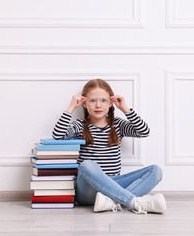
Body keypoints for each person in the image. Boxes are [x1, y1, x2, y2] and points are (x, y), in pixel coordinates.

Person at [52, 79, 166, 214]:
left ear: (111, 103)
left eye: (103, 101)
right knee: (87, 165)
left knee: (156, 170)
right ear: (84, 103)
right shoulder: (79, 125)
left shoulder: (118, 124)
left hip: (114, 184)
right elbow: (58, 135)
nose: (98, 105)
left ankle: (111, 203)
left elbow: (144, 131)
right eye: (93, 101)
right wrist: (71, 107)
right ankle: (133, 202)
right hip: (88, 190)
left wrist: (125, 108)